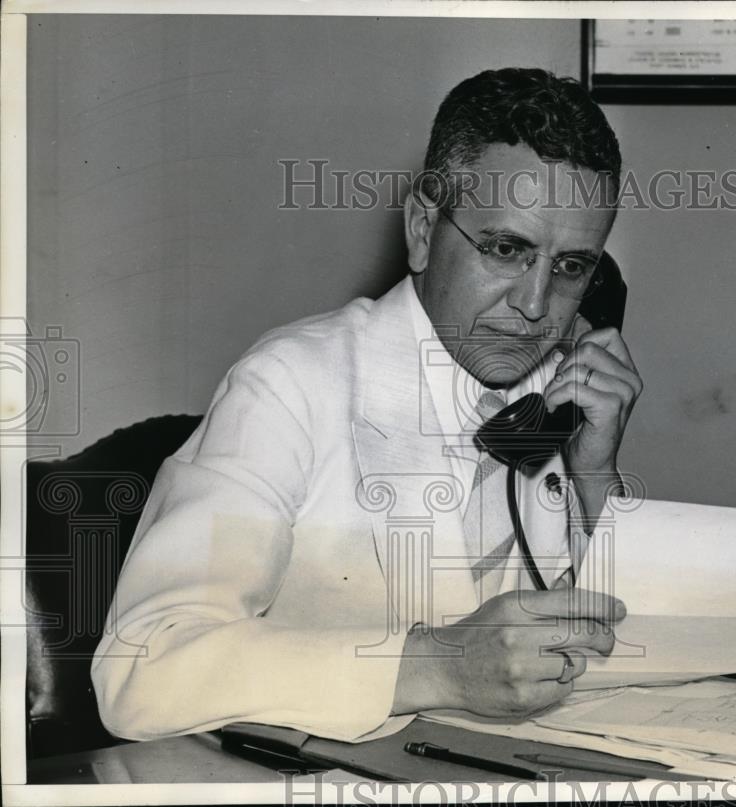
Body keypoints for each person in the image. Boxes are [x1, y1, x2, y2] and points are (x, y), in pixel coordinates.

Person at [92, 67, 643, 743]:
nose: (535, 306)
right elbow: (141, 671)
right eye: (506, 249)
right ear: (422, 228)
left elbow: (634, 659)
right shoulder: (289, 384)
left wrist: (594, 481)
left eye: (570, 267)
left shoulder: (559, 399)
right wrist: (433, 666)